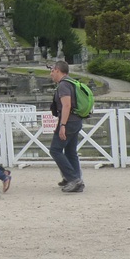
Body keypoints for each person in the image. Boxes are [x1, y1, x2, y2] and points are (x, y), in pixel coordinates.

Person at [49, 62, 84, 194]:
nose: (51, 73)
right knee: (70, 151)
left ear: (58, 70)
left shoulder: (63, 85)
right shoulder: (72, 82)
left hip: (68, 122)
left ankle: (73, 179)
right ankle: (76, 179)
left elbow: (66, 106)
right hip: (76, 120)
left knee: (55, 150)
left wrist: (62, 125)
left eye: (52, 70)